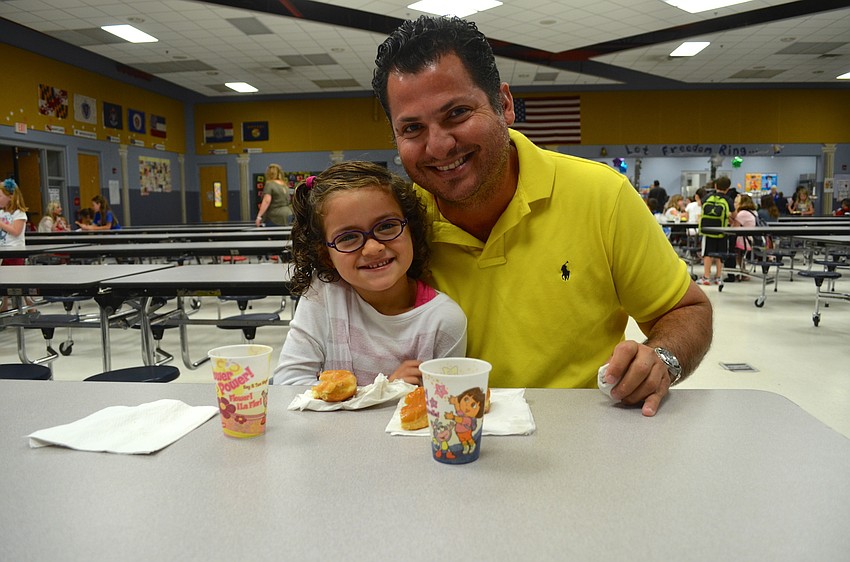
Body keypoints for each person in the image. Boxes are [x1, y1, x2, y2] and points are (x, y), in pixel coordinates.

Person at [372, 15, 712, 416]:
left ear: (505, 104)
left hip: (582, 442)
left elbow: (686, 310)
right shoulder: (393, 228)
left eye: (457, 113)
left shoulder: (601, 196)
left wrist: (661, 361)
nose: (440, 145)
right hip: (448, 442)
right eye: (412, 128)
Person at [271, 161, 467, 387]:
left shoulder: (443, 322)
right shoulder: (323, 294)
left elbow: (444, 409)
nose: (373, 248)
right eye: (347, 238)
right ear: (326, 256)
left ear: (410, 230)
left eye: (386, 226)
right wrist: (386, 391)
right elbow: (288, 385)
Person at [1, 179, 31, 311]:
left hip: (15, 252)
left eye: (0, 196)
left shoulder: (19, 213)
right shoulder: (1, 212)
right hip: (3, 251)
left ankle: (31, 307)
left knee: (18, 283)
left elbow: (15, 231)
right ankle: (4, 306)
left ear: (10, 197)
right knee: (3, 280)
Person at [698, 177, 734, 286]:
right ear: (727, 188)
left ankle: (706, 277)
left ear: (715, 186)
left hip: (707, 230)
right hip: (722, 231)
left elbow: (700, 205)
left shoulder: (707, 197)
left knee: (707, 254)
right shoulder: (728, 200)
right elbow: (734, 214)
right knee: (720, 254)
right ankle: (718, 277)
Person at [731, 193, 757, 277]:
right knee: (740, 255)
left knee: (735, 249)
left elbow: (734, 227)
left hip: (744, 239)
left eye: (736, 202)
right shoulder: (753, 212)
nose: (734, 204)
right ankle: (743, 270)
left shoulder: (742, 213)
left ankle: (742, 272)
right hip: (750, 238)